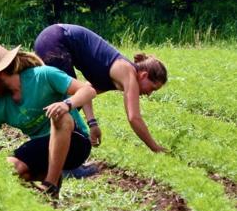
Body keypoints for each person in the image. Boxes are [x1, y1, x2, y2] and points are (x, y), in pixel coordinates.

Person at [0, 44, 97, 198]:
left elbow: (88, 90)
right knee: (8, 168)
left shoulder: (43, 76)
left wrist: (66, 104)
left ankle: (50, 184)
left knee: (60, 116)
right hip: (43, 148)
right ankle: (47, 197)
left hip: (76, 143)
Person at [34, 24, 168, 153]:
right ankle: (64, 161)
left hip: (51, 38)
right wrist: (155, 148)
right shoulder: (128, 73)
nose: (149, 94)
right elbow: (134, 118)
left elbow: (85, 92)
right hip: (57, 39)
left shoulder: (116, 77)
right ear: (144, 75)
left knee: (70, 105)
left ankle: (51, 154)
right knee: (66, 108)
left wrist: (92, 124)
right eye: (152, 88)